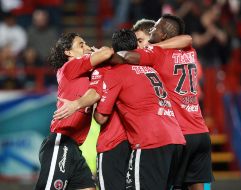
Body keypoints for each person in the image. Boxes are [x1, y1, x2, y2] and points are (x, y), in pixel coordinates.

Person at [114, 14, 214, 190]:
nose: (153, 29)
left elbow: (126, 57)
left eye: (156, 28)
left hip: (180, 134)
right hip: (201, 133)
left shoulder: (158, 55)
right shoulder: (190, 51)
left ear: (165, 35)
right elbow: (187, 38)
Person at [94, 29, 186, 190]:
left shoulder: (116, 73)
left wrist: (94, 102)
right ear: (136, 45)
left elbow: (101, 117)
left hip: (151, 142)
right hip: (177, 140)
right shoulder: (151, 69)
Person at [34, 32, 114, 190]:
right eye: (81, 44)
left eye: (85, 43)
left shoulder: (85, 74)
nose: (86, 47)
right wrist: (95, 50)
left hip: (74, 147)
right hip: (61, 141)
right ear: (68, 52)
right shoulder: (71, 66)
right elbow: (107, 52)